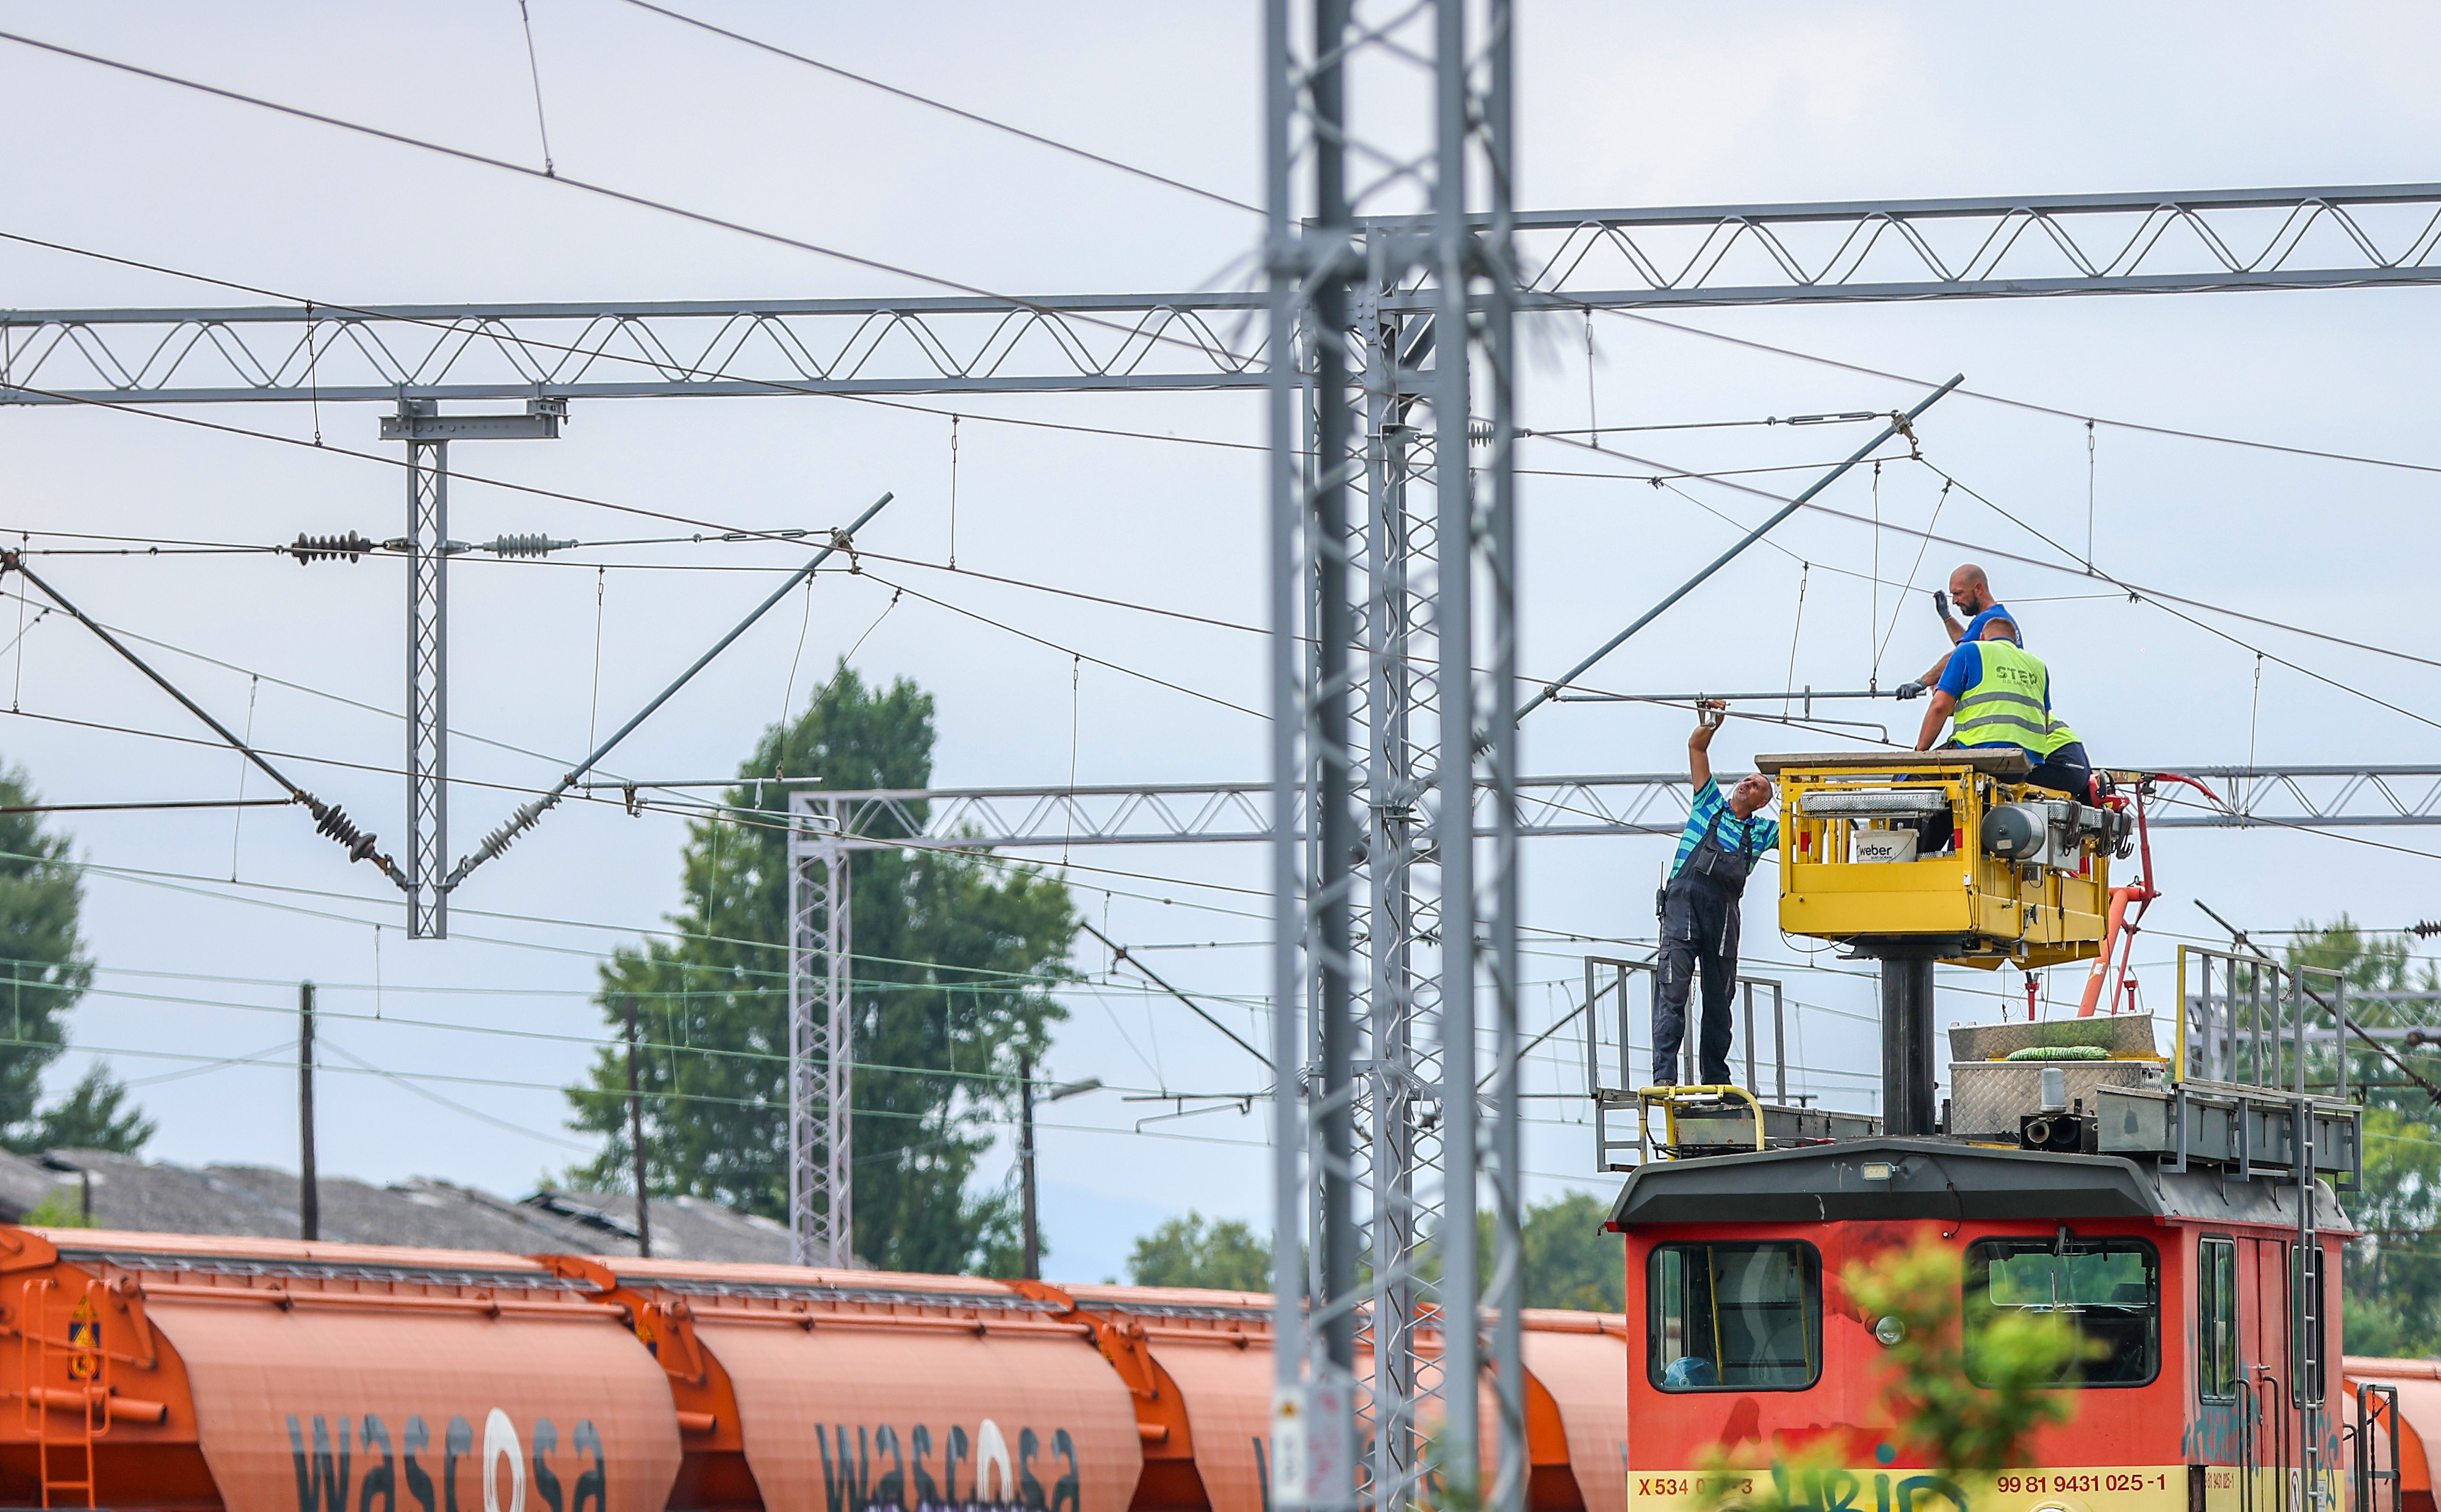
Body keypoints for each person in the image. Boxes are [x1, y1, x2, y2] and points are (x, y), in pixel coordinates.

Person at [1652, 699, 1778, 1087]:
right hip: (1682, 904)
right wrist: (1711, 722)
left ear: (1762, 802)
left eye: (1757, 786)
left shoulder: (1762, 832)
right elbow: (1697, 748)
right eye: (1747, 779)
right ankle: (1664, 1077)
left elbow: (1802, 824)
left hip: (1722, 915)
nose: (1747, 784)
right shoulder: (1708, 804)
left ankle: (1715, 1079)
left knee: (1719, 1000)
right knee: (1673, 987)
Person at [1913, 614, 2094, 799]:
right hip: (2024, 763)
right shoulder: (2038, 666)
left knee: (1913, 777)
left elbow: (1940, 707)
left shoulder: (1970, 651)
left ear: (1982, 637)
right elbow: (2044, 720)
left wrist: (1920, 752)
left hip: (1977, 751)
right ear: (2015, 642)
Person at [1895, 563, 2018, 700]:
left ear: (1978, 589)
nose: (1955, 601)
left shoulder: (1987, 619)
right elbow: (1968, 644)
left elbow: (1960, 654)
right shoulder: (2002, 617)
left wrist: (1921, 683)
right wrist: (1947, 618)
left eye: (1959, 593)